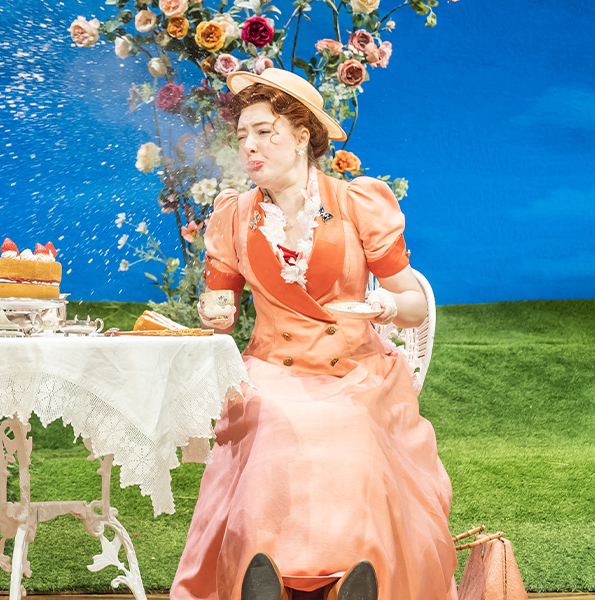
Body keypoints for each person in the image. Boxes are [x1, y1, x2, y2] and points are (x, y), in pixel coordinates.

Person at [169, 69, 457, 600]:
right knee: (277, 429)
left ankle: (354, 581)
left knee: (347, 432)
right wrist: (214, 316)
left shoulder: (356, 204)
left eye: (265, 132)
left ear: (303, 136)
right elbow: (223, 309)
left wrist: (384, 304)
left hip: (355, 370)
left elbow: (413, 305)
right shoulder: (232, 217)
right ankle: (269, 583)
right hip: (271, 368)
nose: (250, 147)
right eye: (242, 137)